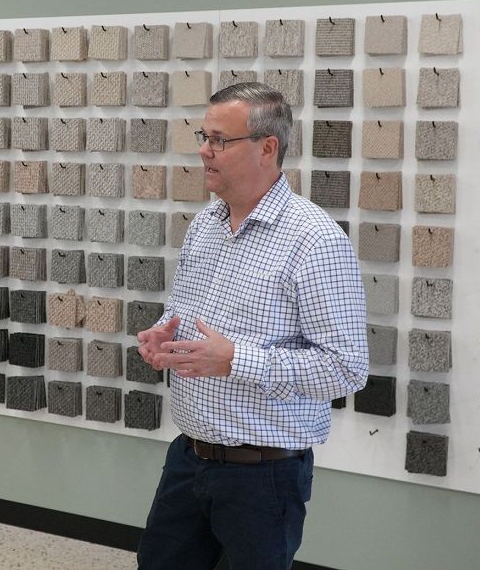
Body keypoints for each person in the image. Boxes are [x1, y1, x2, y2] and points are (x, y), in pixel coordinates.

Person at [137, 82, 368, 570]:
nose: (204, 150)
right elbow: (185, 315)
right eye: (203, 135)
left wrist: (236, 360)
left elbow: (346, 369)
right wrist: (164, 335)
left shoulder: (315, 240)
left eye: (220, 140)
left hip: (264, 477)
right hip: (189, 458)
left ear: (268, 148)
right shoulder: (205, 223)